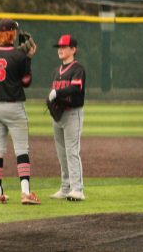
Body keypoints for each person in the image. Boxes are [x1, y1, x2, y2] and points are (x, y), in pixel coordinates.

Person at [0, 18, 40, 205]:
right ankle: (26, 193)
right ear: (12, 33)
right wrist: (28, 59)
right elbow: (26, 82)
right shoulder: (19, 56)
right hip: (13, 107)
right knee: (21, 150)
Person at [47, 35, 86, 201]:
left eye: (64, 46)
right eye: (59, 47)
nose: (60, 49)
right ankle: (65, 187)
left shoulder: (78, 69)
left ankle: (77, 189)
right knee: (61, 153)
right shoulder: (57, 71)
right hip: (59, 116)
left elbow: (75, 88)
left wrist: (57, 93)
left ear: (73, 50)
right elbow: (53, 94)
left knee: (72, 152)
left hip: (72, 114)